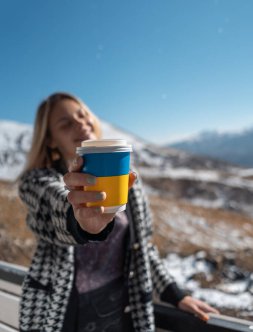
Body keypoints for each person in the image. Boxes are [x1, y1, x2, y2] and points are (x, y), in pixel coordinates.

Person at [18, 92, 218, 332]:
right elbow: (55, 205)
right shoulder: (37, 182)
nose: (80, 123)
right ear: (50, 140)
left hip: (116, 308)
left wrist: (175, 295)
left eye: (82, 115)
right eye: (66, 124)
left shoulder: (126, 180)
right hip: (60, 311)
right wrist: (78, 219)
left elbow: (142, 247)